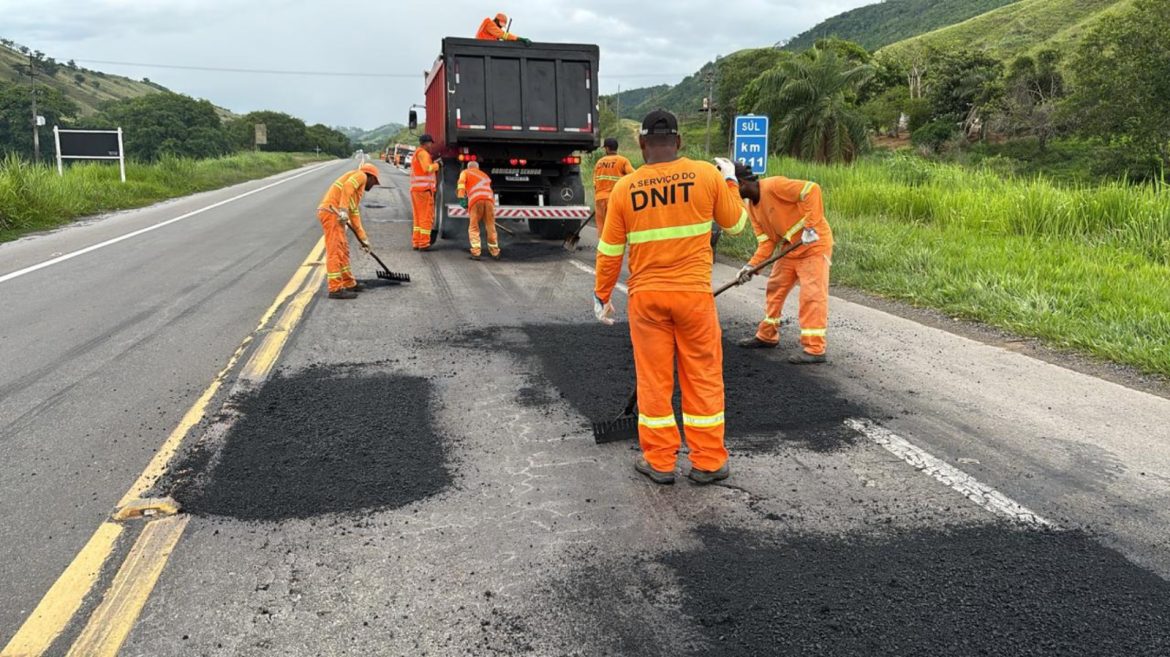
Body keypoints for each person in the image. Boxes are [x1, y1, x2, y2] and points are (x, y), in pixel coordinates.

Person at [593, 109, 748, 486]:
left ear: (642, 144)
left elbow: (610, 250)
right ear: (678, 142)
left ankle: (660, 462)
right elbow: (737, 223)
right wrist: (729, 180)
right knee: (703, 377)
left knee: (654, 380)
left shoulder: (625, 189)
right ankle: (708, 461)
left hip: (647, 300)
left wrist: (602, 295)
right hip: (694, 297)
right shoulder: (705, 175)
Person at [733, 161, 834, 363]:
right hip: (790, 248)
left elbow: (811, 189)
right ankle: (767, 335)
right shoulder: (752, 208)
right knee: (775, 288)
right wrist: (751, 266)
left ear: (742, 183)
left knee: (811, 295)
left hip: (813, 244)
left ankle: (815, 349)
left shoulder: (774, 186)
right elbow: (767, 242)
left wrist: (811, 227)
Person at [316, 162, 379, 299]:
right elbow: (347, 186)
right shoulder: (361, 175)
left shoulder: (354, 195)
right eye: (374, 182)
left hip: (336, 214)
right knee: (335, 250)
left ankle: (349, 283)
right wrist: (343, 210)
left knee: (343, 250)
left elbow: (355, 217)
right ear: (371, 176)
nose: (373, 185)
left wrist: (364, 240)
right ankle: (335, 289)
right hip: (331, 212)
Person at [456, 161, 500, 260]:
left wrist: (461, 198)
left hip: (476, 201)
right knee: (490, 226)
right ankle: (495, 252)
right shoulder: (484, 175)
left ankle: (476, 252)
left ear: (468, 167)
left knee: (474, 227)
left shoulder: (465, 172)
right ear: (478, 168)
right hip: (489, 200)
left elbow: (461, 184)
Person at [592, 137, 634, 236]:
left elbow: (595, 183)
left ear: (607, 148)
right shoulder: (623, 161)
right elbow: (634, 176)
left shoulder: (599, 162)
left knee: (602, 228)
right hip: (616, 199)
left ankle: (603, 248)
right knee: (616, 227)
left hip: (600, 199)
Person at [411, 134, 441, 251]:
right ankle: (424, 243)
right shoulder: (423, 153)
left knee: (418, 217)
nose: (431, 146)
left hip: (416, 190)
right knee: (426, 217)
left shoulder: (417, 153)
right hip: (424, 190)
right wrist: (437, 165)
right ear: (426, 143)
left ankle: (416, 242)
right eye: (430, 143)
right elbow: (427, 168)